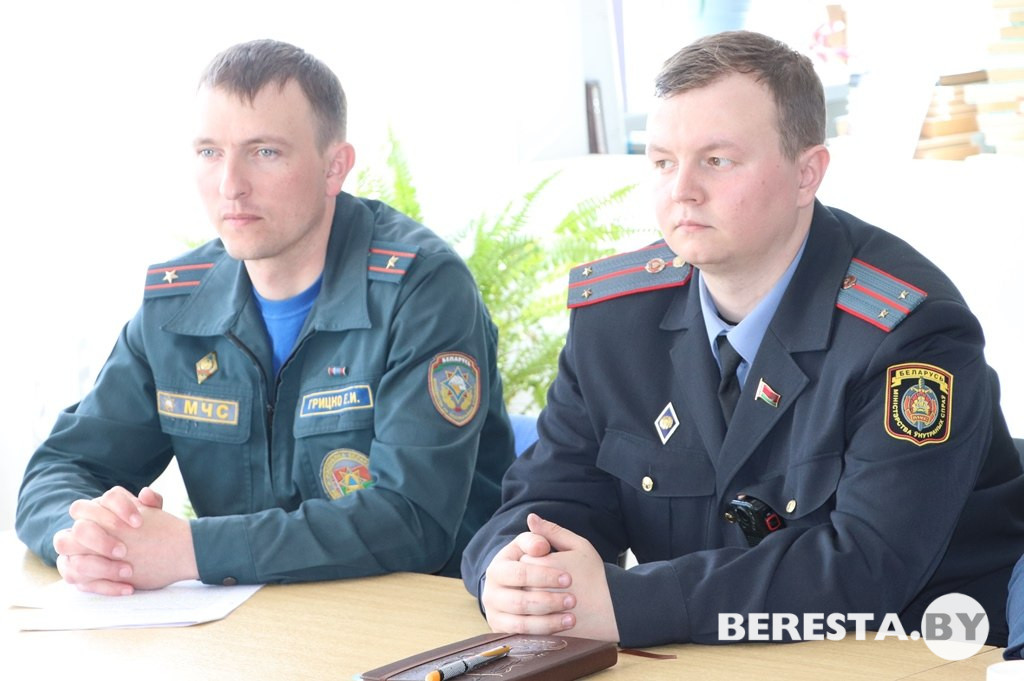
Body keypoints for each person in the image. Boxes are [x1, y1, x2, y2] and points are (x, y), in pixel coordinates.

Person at [461, 30, 1024, 648]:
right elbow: (547, 496)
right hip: (702, 657)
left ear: (807, 173)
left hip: (914, 653)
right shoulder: (615, 321)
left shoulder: (908, 334)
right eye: (662, 162)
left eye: (717, 160)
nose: (682, 190)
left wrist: (630, 604)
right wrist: (510, 574)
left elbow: (869, 568)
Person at [16, 39, 515, 595]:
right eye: (209, 152)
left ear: (334, 168)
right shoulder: (176, 305)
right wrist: (89, 541)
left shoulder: (419, 289)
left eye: (264, 152)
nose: (231, 184)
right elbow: (58, 469)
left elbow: (411, 520)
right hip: (251, 630)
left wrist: (191, 550)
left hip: (418, 632)